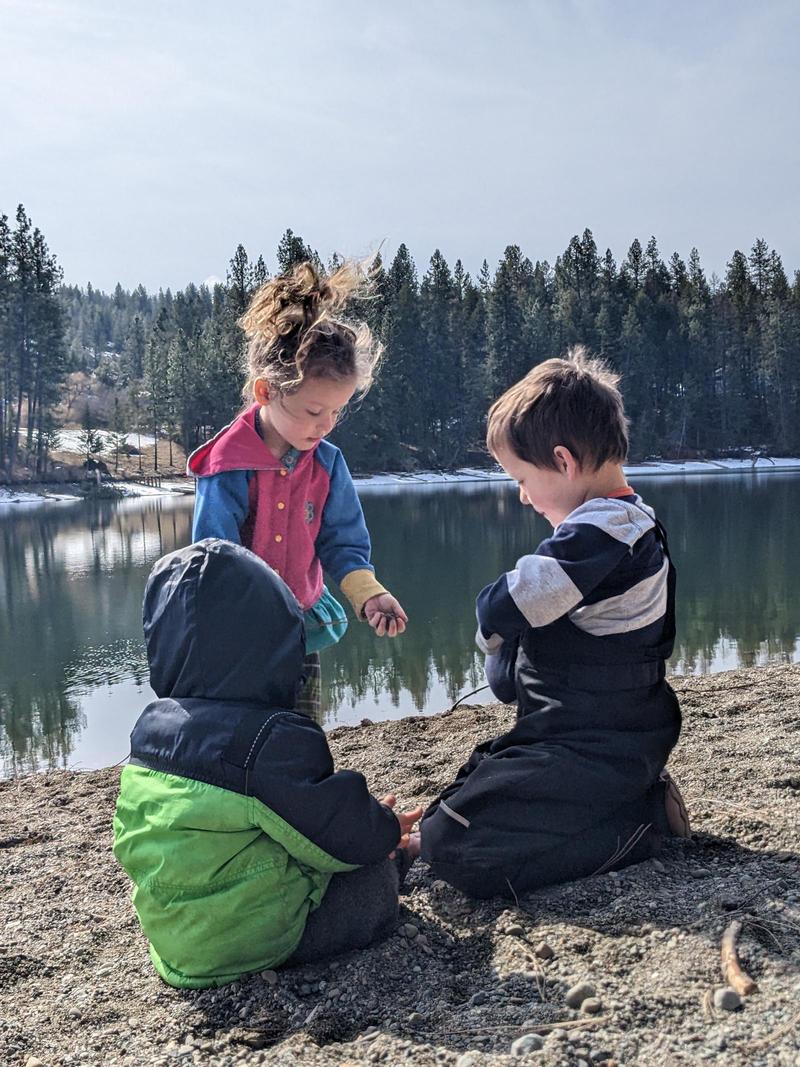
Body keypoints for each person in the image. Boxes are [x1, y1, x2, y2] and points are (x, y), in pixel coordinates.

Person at [415, 347, 690, 899]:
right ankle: (631, 801)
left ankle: (641, 826)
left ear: (563, 462)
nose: (521, 495)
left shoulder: (604, 534)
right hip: (594, 738)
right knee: (466, 786)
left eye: (520, 477)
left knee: (454, 848)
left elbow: (508, 601)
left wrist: (491, 635)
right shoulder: (625, 525)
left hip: (596, 749)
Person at [113, 538, 421, 989]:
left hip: (175, 947)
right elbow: (339, 832)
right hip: (251, 944)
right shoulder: (270, 739)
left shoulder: (149, 733)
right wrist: (385, 825)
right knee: (372, 879)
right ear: (275, 645)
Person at [187, 260, 407, 716]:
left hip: (300, 626)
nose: (325, 426)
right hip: (240, 635)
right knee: (243, 733)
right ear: (266, 392)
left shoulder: (327, 464)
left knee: (302, 731)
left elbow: (342, 542)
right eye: (313, 412)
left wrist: (369, 593)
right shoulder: (228, 466)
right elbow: (213, 556)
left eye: (336, 413)